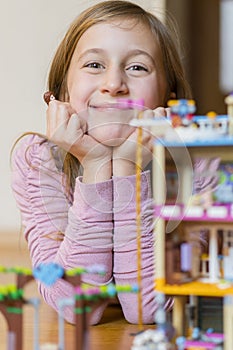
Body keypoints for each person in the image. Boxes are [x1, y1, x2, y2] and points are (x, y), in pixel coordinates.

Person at [11, 0, 192, 325]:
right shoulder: (37, 160)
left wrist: (127, 167)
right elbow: (78, 307)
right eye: (94, 65)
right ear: (62, 91)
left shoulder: (198, 164)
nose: (113, 84)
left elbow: (148, 308)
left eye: (137, 67)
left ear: (168, 98)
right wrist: (95, 166)